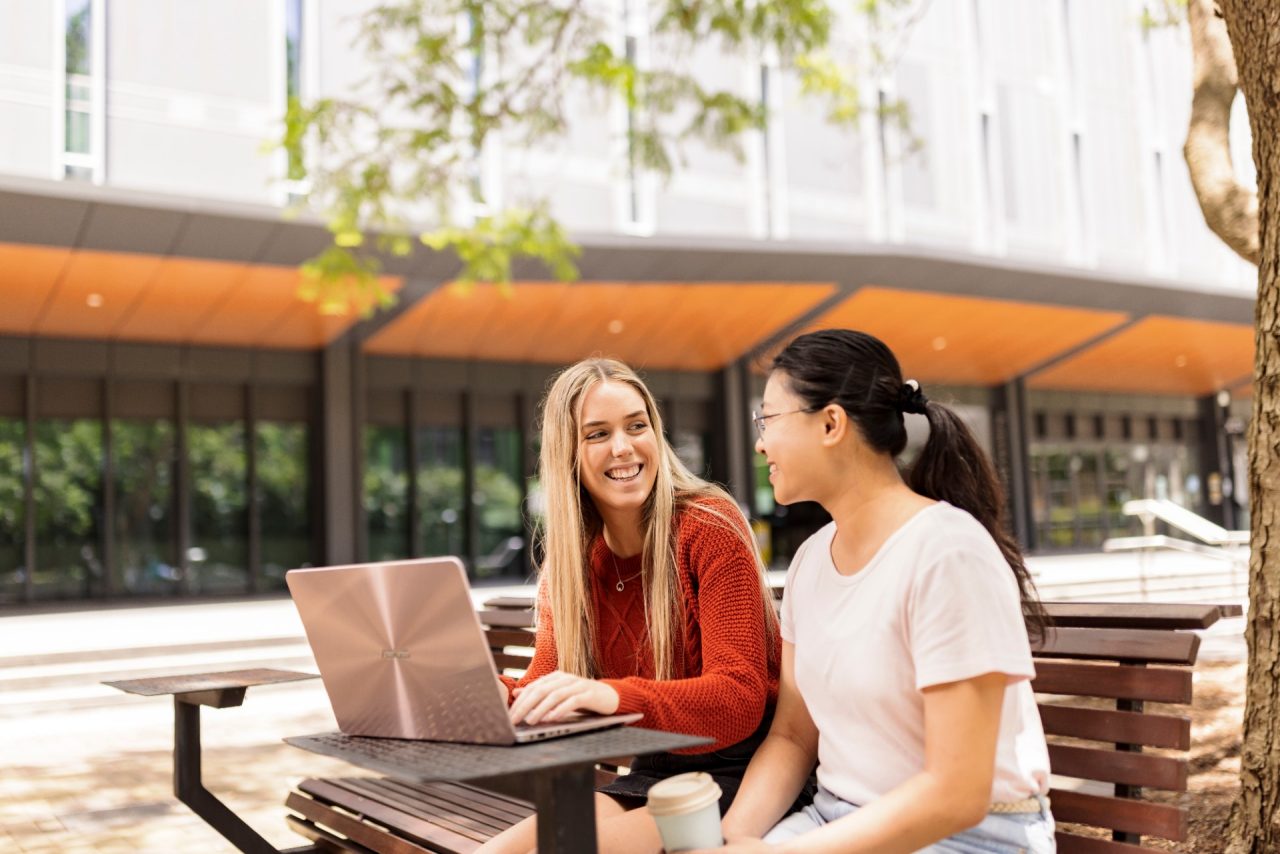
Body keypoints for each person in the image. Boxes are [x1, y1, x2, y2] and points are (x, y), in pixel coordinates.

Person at [698, 329, 1054, 854]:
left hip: (970, 837)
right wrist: (735, 838)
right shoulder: (810, 562)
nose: (760, 442)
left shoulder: (948, 553)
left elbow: (957, 795)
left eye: (768, 419)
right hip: (836, 820)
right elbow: (793, 736)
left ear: (831, 423)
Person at [478, 357, 781, 853]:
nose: (623, 448)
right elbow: (546, 685)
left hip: (741, 776)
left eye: (637, 426)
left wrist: (612, 697)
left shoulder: (708, 526)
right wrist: (498, 695)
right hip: (652, 772)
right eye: (597, 434)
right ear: (568, 453)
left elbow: (738, 700)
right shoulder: (571, 564)